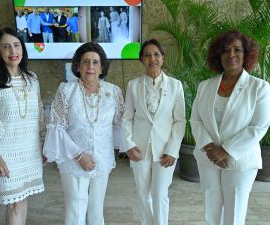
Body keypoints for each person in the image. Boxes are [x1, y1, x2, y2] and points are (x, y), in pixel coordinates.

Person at [190, 30, 270, 225]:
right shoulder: (205, 86)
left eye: (237, 50)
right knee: (211, 209)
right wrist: (210, 148)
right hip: (207, 157)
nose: (231, 55)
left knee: (234, 214)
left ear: (246, 54)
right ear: (218, 55)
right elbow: (195, 120)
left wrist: (225, 151)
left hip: (239, 160)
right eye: (225, 50)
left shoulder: (259, 87)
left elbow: (258, 126)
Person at [43, 42, 124, 225]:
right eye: (85, 61)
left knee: (96, 210)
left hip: (102, 160)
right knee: (76, 210)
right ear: (77, 66)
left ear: (102, 67)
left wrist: (124, 148)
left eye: (95, 62)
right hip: (73, 158)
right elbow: (57, 128)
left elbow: (120, 123)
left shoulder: (114, 92)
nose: (90, 67)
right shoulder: (66, 90)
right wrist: (79, 156)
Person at [0, 27, 45, 225]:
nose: (12, 51)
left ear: (22, 48)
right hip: (4, 153)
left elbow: (38, 114)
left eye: (16, 45)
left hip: (29, 151)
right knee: (13, 203)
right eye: (6, 47)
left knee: (22, 200)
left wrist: (44, 143)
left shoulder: (32, 78)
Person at [122, 39, 186, 225]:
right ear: (141, 59)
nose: (152, 59)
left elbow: (180, 120)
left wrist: (173, 150)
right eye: (147, 55)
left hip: (165, 149)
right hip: (139, 148)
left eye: (156, 54)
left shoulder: (175, 85)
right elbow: (127, 118)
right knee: (143, 194)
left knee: (160, 194)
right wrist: (129, 144)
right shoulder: (133, 85)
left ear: (163, 58)